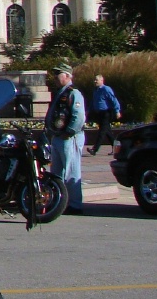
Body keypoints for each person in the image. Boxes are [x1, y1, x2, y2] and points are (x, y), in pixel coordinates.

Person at [44, 62, 85, 215]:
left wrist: (69, 132)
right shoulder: (61, 92)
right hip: (58, 137)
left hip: (69, 138)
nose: (55, 77)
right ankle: (60, 203)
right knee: (57, 173)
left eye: (58, 74)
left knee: (71, 171)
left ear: (67, 76)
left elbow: (79, 116)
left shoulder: (74, 93)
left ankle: (74, 205)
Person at [86, 74, 121, 156]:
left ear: (102, 80)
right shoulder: (96, 90)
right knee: (107, 132)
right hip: (99, 114)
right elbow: (93, 101)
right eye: (94, 80)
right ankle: (117, 148)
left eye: (96, 80)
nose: (95, 81)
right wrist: (88, 110)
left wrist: (117, 111)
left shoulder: (106, 89)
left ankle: (94, 149)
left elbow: (113, 99)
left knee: (102, 131)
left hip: (106, 113)